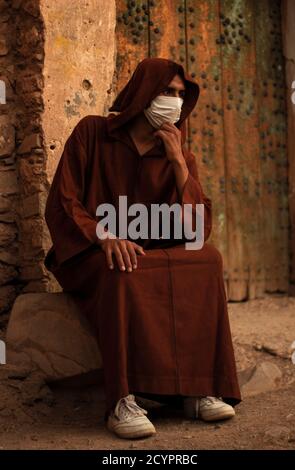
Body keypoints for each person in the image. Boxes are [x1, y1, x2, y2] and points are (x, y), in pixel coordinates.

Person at [44, 57, 241, 440]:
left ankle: (194, 390)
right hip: (91, 252)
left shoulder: (179, 153)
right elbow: (64, 202)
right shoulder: (92, 133)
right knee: (123, 267)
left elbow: (198, 230)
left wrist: (180, 166)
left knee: (208, 260)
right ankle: (122, 400)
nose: (175, 102)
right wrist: (104, 236)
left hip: (150, 253)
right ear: (142, 92)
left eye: (181, 95)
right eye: (167, 92)